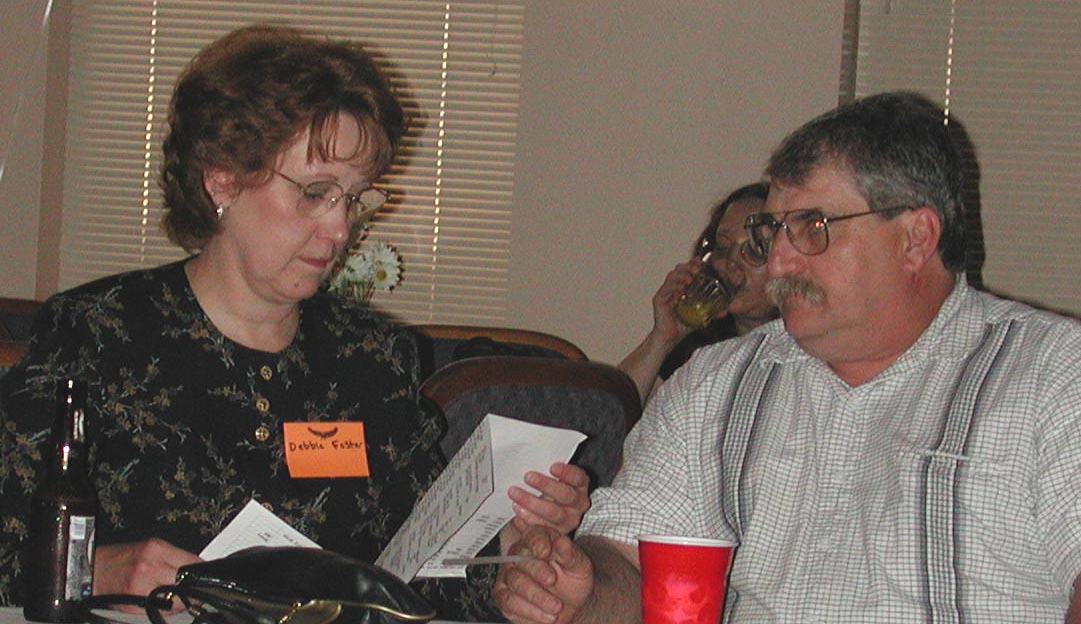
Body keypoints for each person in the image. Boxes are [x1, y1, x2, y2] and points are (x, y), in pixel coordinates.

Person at [0, 25, 589, 620]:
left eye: (353, 199)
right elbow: (8, 548)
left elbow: (418, 572)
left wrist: (512, 557)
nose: (340, 229)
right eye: (314, 193)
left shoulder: (372, 356)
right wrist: (94, 569)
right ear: (222, 180)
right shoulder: (98, 335)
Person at [493, 91, 1081, 623]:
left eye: (813, 227)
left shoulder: (1054, 374)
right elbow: (635, 565)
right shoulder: (716, 385)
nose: (778, 262)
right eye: (774, 231)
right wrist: (577, 592)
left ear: (915, 239)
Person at [618, 183, 776, 402]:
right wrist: (662, 339)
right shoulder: (698, 356)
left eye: (753, 249)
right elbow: (608, 412)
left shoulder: (809, 355)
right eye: (723, 246)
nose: (731, 262)